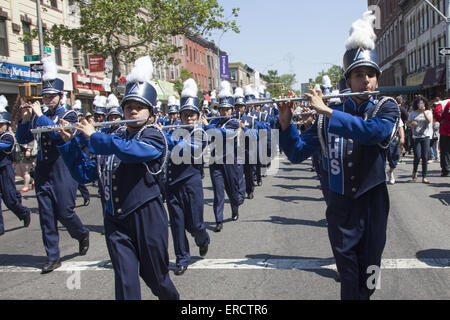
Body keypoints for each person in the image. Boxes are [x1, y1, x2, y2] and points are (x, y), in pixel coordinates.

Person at [277, 11, 400, 300]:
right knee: (347, 274)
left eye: (370, 74)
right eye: (358, 75)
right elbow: (296, 153)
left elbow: (372, 133)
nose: (366, 81)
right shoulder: (324, 117)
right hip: (340, 205)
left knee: (371, 273)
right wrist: (285, 124)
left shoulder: (386, 107)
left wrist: (329, 111)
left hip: (373, 204)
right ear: (347, 80)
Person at [56, 56, 179, 300]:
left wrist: (93, 138)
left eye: (139, 106)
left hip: (146, 216)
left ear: (151, 114)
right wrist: (70, 145)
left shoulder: (155, 137)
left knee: (157, 278)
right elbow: (85, 173)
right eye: (128, 106)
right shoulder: (113, 137)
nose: (132, 110)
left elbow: (131, 152)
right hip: (115, 221)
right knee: (125, 282)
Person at [15, 55, 89, 273]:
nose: (47, 100)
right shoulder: (40, 116)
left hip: (63, 169)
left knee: (65, 212)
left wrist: (39, 116)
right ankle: (53, 256)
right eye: (44, 96)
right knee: (46, 215)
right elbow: (23, 138)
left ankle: (81, 233)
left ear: (60, 96)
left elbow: (59, 135)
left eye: (50, 96)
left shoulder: (69, 113)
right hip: (44, 170)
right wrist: (26, 119)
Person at [162, 78, 210, 276]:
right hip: (173, 185)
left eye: (192, 115)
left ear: (198, 116)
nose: (188, 118)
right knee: (177, 224)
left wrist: (164, 137)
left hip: (192, 184)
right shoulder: (171, 131)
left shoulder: (201, 134)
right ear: (179, 116)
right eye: (185, 115)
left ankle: (203, 239)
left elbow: (188, 149)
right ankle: (182, 258)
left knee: (195, 225)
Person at [206, 80, 244, 232]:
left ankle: (235, 208)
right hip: (215, 161)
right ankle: (218, 219)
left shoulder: (234, 122)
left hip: (230, 161)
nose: (224, 112)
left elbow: (221, 134)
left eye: (227, 109)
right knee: (218, 192)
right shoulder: (214, 121)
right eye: (222, 109)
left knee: (232, 190)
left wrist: (207, 126)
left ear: (231, 110)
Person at [0, 95, 31, 235]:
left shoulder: (8, 136)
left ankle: (24, 213)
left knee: (10, 199)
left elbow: (3, 146)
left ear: (6, 124)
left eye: (1, 124)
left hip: (5, 170)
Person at [407, 96, 433, 183]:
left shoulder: (428, 112)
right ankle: (415, 171)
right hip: (416, 137)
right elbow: (407, 123)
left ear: (425, 104)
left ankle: (424, 176)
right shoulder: (413, 113)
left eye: (422, 103)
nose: (420, 105)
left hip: (425, 136)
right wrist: (411, 124)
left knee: (425, 157)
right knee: (417, 156)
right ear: (416, 104)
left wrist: (424, 112)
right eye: (419, 103)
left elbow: (429, 121)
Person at [433, 98, 450, 177]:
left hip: (445, 130)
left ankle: (446, 170)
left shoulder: (443, 103)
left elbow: (436, 112)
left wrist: (440, 119)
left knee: (445, 151)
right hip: (445, 130)